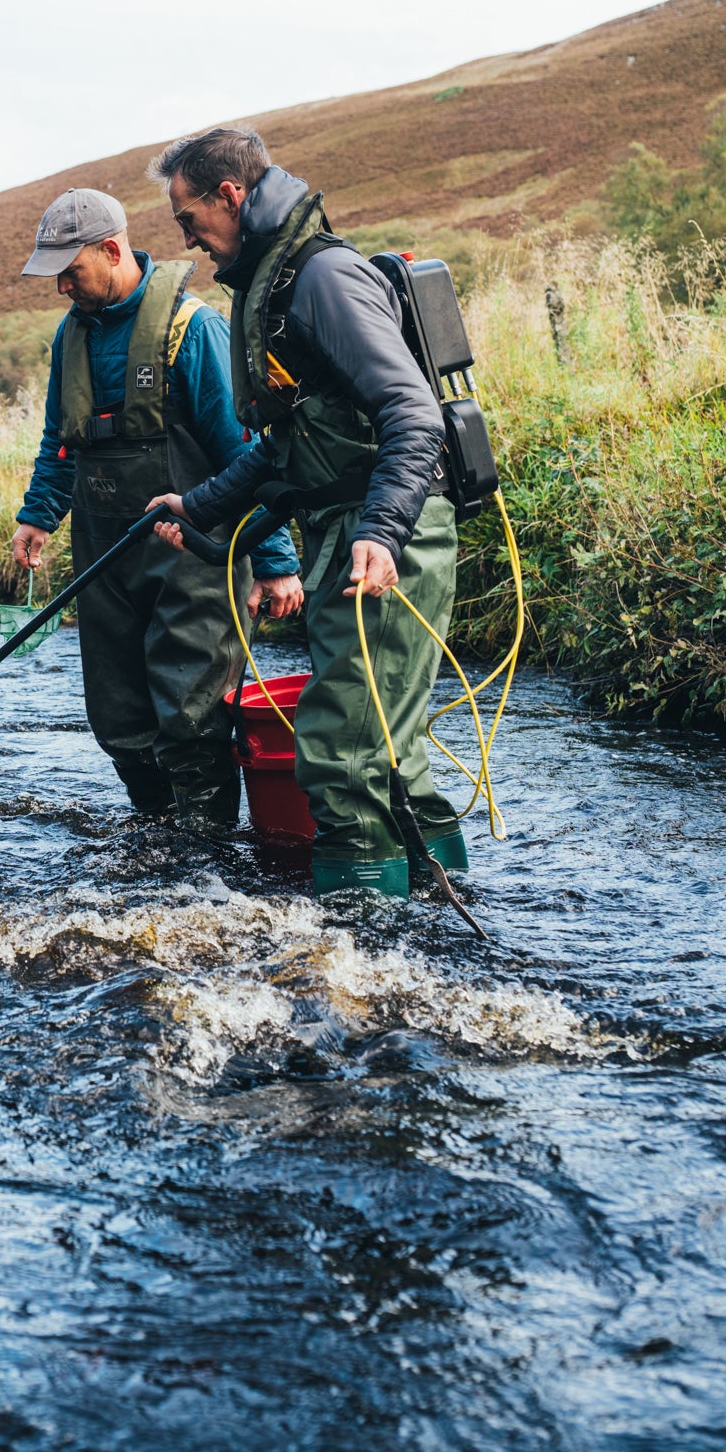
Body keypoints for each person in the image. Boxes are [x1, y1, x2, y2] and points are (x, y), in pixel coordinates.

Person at [140, 126, 467, 895]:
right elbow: (287, 442)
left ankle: (363, 955)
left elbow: (412, 415)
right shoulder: (270, 285)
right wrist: (201, 509)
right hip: (343, 534)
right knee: (387, 749)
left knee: (340, 753)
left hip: (385, 539)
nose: (186, 237)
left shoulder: (321, 279)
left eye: (189, 218)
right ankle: (439, 935)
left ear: (232, 194)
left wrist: (383, 535)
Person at [12, 188, 305, 832]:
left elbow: (248, 449)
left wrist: (275, 561)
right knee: (118, 717)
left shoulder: (194, 329)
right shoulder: (71, 338)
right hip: (106, 556)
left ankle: (208, 865)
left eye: (71, 270)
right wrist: (38, 514)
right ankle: (161, 845)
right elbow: (61, 440)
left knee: (190, 714)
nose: (61, 286)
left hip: (194, 557)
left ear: (112, 250)